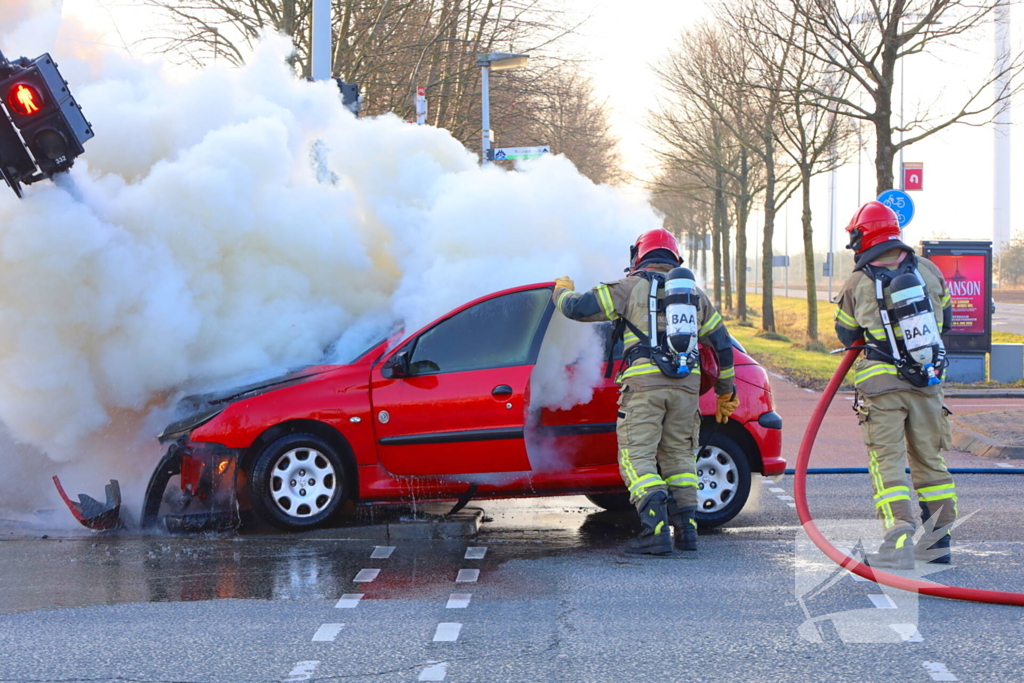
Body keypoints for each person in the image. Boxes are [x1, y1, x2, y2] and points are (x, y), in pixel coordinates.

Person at [553, 228, 739, 555]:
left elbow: (579, 309)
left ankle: (655, 533)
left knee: (636, 455)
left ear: (639, 256)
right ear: (675, 257)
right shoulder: (695, 296)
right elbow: (722, 345)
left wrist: (561, 292)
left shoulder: (629, 287)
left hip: (644, 386)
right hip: (686, 388)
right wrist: (726, 393)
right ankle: (687, 532)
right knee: (680, 456)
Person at [834, 201, 957, 568]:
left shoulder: (859, 280)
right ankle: (938, 542)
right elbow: (946, 322)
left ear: (864, 236)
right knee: (930, 460)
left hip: (881, 386)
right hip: (928, 382)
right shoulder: (928, 270)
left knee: (887, 462)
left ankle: (898, 541)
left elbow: (846, 333)